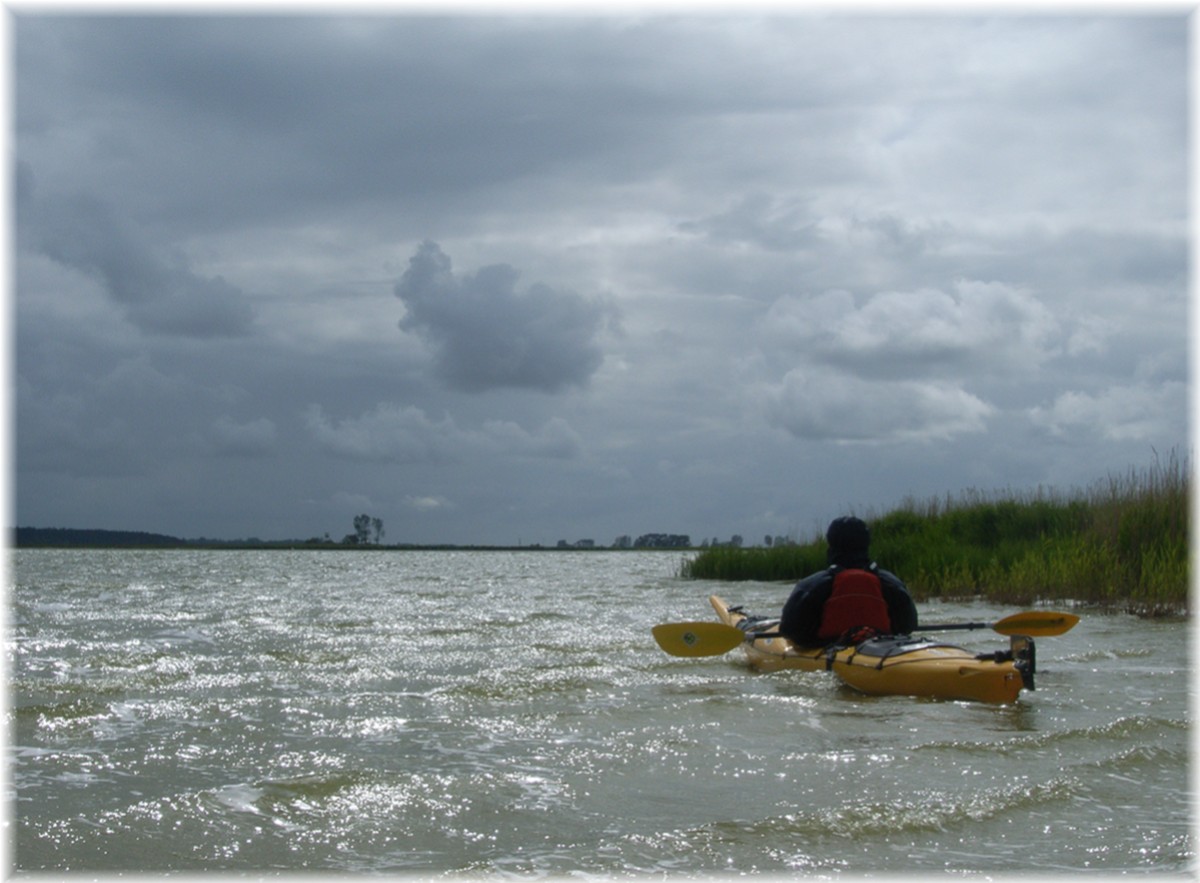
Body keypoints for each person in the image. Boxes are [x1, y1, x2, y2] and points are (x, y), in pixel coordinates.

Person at [779, 516, 918, 646]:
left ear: (831, 545)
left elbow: (789, 630)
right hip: (883, 650)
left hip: (827, 649)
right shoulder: (892, 584)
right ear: (866, 544)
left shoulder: (811, 586)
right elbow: (908, 626)